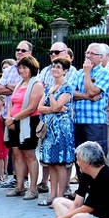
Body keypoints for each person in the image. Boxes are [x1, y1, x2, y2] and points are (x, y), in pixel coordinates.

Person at [4, 54, 44, 200]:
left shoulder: (37, 84)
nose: (21, 70)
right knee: (17, 154)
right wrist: (9, 118)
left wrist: (14, 118)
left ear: (32, 68)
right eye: (20, 68)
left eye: (24, 67)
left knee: (29, 155)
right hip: (14, 122)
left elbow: (32, 107)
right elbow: (11, 102)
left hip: (28, 122)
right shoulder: (19, 84)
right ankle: (19, 186)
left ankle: (33, 188)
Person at [37, 56, 75, 205]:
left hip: (61, 130)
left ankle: (60, 197)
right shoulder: (48, 87)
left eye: (59, 67)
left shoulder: (67, 88)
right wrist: (54, 107)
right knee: (51, 162)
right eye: (54, 66)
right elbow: (40, 108)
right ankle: (52, 196)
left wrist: (52, 96)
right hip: (49, 130)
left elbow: (57, 106)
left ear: (65, 71)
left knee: (60, 163)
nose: (55, 69)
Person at [71, 43, 109, 157]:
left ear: (101, 57)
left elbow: (92, 91)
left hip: (95, 122)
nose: (88, 56)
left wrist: (87, 73)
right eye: (87, 53)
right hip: (78, 121)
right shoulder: (78, 73)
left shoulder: (105, 74)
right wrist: (87, 97)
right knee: (79, 158)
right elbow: (70, 94)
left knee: (95, 158)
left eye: (93, 53)